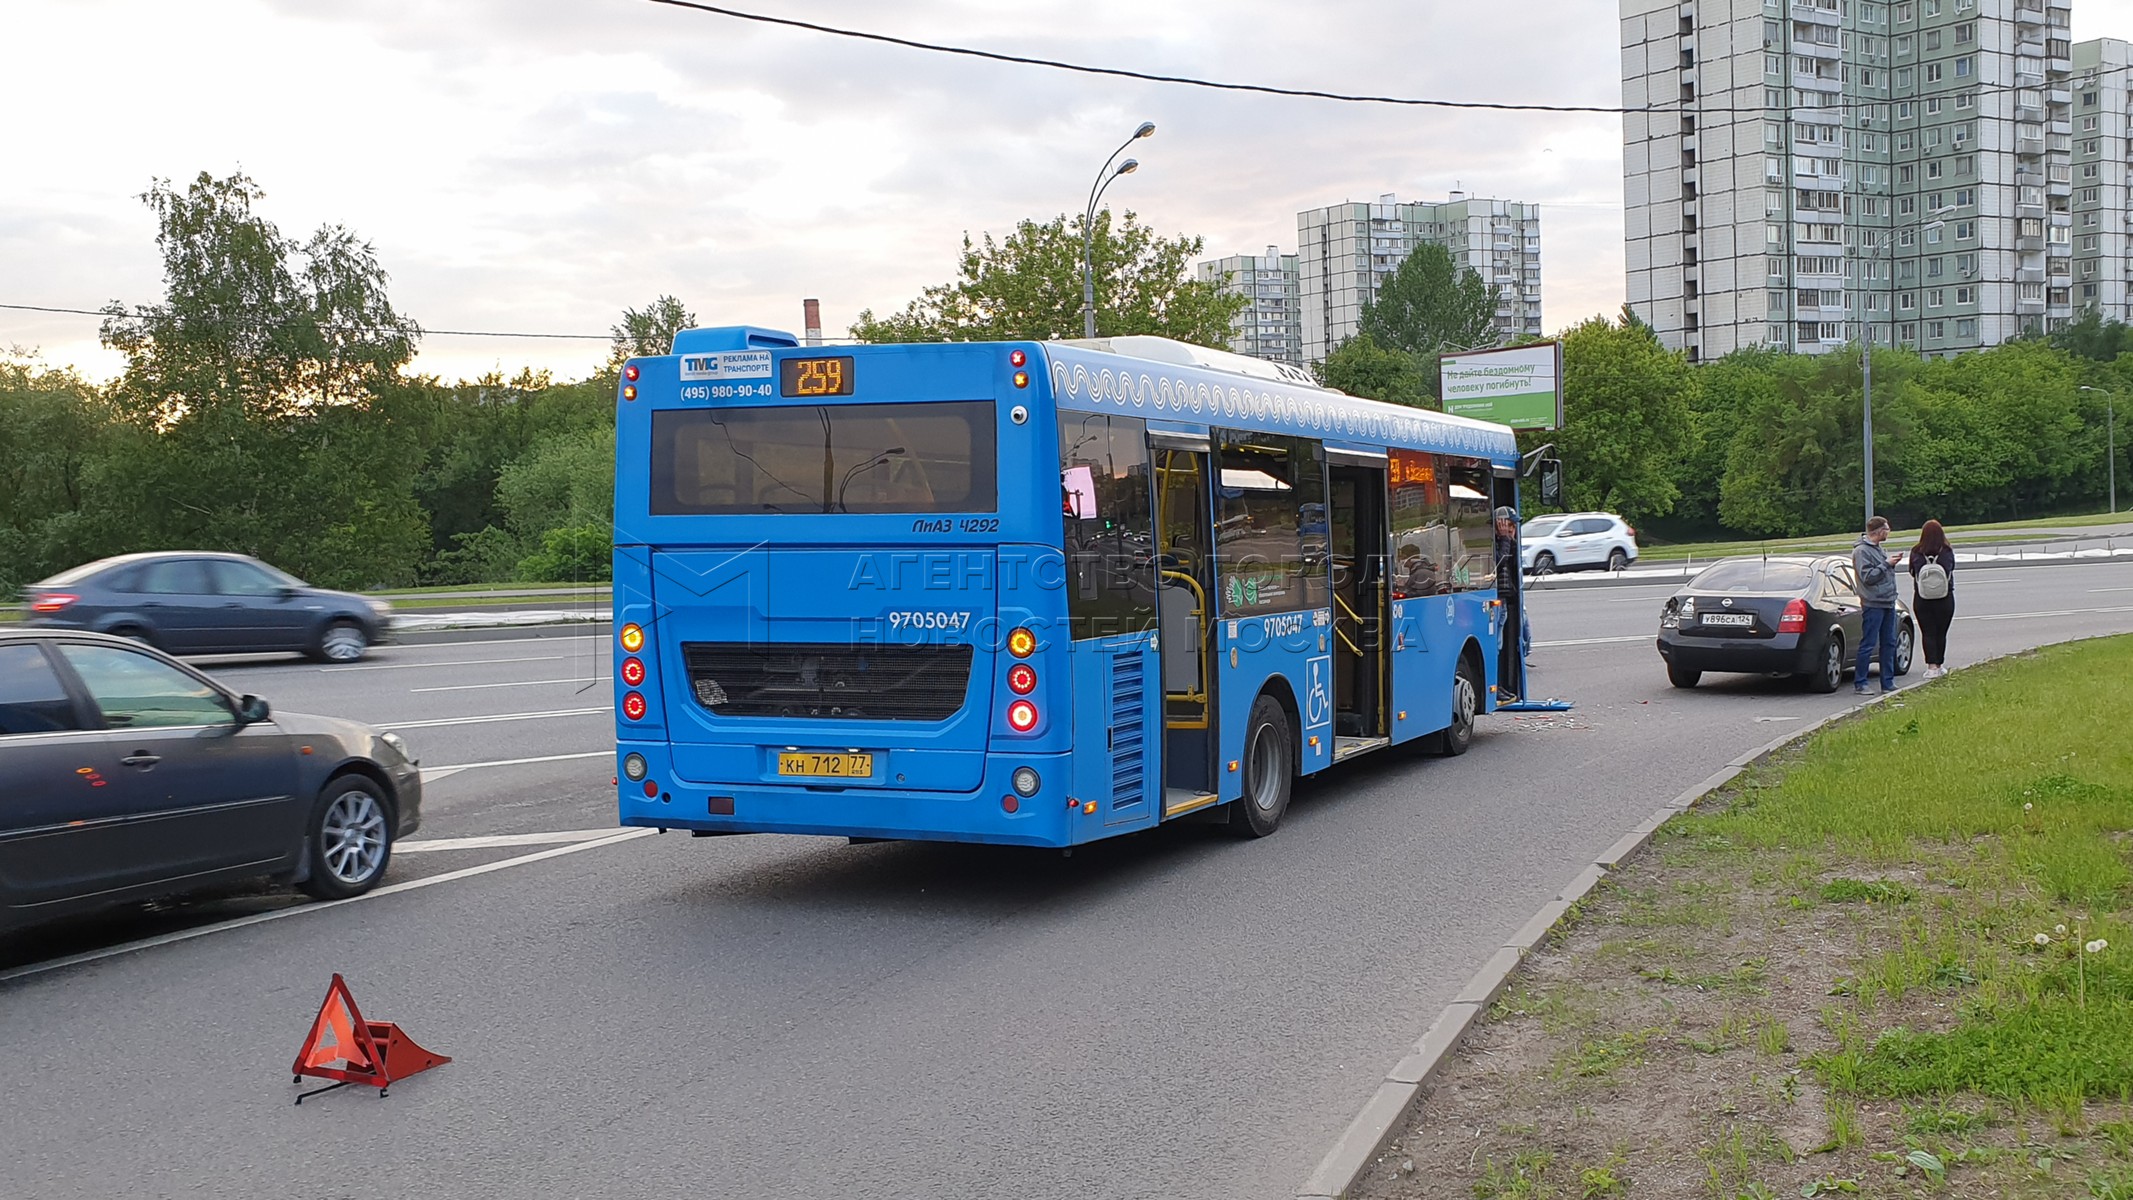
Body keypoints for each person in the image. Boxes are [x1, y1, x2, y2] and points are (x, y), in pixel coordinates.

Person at [1852, 515, 1905, 695]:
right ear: (1880, 531)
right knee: (1868, 643)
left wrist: (1889, 564)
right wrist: (1886, 564)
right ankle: (1861, 683)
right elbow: (1868, 577)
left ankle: (1887, 682)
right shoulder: (1862, 551)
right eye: (1887, 529)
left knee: (1889, 642)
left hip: (1888, 601)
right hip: (1873, 603)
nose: (1889, 533)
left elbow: (1881, 572)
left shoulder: (1878, 549)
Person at [1907, 518, 1957, 678]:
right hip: (1944, 598)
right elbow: (1950, 568)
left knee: (1927, 632)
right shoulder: (1946, 550)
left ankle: (1931, 667)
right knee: (1941, 633)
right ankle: (1940, 664)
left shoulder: (1916, 551)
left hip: (1922, 598)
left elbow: (1912, 572)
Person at [1493, 507, 1532, 692]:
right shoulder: (1495, 543)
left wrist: (1511, 539)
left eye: (1513, 526)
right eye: (1508, 524)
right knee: (1495, 646)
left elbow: (1514, 563)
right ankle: (1495, 685)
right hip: (1495, 601)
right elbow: (1498, 564)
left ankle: (1499, 685)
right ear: (1499, 524)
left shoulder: (1507, 542)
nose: (1511, 529)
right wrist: (1505, 540)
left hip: (1505, 600)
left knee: (1499, 646)